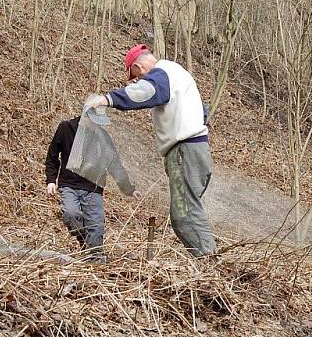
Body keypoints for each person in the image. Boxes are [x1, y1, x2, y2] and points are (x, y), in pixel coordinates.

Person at [84, 44, 216, 257]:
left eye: (135, 76)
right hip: (197, 149)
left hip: (185, 152)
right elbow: (203, 111)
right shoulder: (178, 74)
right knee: (189, 211)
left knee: (184, 216)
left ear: (139, 67)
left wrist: (106, 99)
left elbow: (145, 92)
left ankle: (211, 266)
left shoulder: (161, 74)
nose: (136, 81)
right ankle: (209, 263)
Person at [45, 109, 139, 263]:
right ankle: (85, 242)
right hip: (69, 184)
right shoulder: (66, 128)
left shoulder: (103, 137)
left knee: (96, 225)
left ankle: (95, 261)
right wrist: (51, 180)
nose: (98, 126)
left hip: (94, 187)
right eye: (96, 122)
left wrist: (129, 189)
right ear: (86, 118)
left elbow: (115, 164)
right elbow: (52, 156)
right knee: (70, 214)